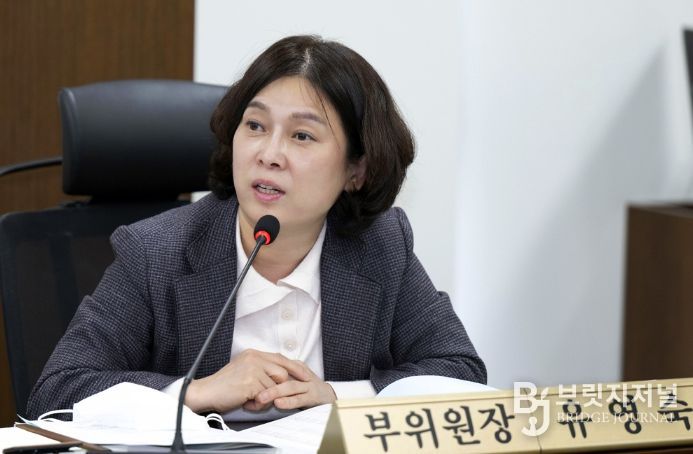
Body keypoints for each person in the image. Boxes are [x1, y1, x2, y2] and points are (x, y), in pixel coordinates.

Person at [27, 35, 486, 419]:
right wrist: (195, 392)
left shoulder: (380, 246)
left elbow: (459, 372)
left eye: (302, 135)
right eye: (255, 126)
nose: (268, 154)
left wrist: (338, 397)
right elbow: (58, 391)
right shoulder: (157, 251)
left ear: (356, 170)